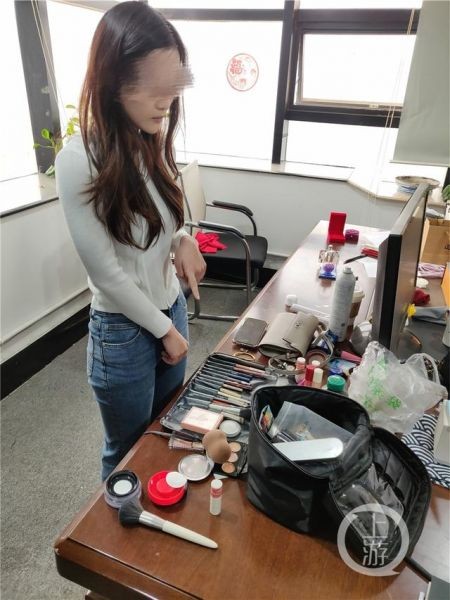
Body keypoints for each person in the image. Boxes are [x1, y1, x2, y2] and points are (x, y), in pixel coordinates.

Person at [55, 1, 206, 480]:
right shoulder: (78, 159)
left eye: (172, 86)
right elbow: (106, 273)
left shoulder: (148, 139)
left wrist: (182, 239)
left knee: (162, 435)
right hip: (123, 331)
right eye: (154, 87)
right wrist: (165, 331)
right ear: (114, 79)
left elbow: (160, 220)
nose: (167, 101)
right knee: (125, 451)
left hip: (170, 310)